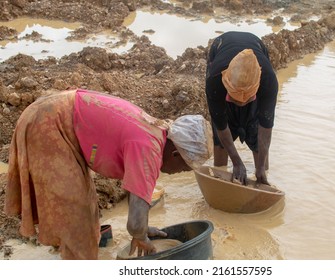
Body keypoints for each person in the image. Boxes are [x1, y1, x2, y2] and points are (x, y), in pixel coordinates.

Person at [4, 88, 213, 260]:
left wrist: (143, 228)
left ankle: (71, 249)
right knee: (76, 215)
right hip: (50, 123)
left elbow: (136, 193)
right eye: (184, 168)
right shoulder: (148, 149)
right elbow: (134, 223)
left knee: (85, 207)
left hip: (56, 113)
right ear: (176, 153)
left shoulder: (155, 132)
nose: (179, 173)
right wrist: (140, 235)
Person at [205, 31, 278, 185]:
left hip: (256, 44)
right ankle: (220, 176)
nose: (241, 103)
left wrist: (260, 168)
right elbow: (220, 124)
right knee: (221, 138)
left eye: (246, 99)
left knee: (254, 126)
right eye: (235, 98)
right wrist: (236, 162)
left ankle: (261, 172)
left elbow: (265, 127)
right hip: (221, 46)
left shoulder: (268, 81)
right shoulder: (215, 80)